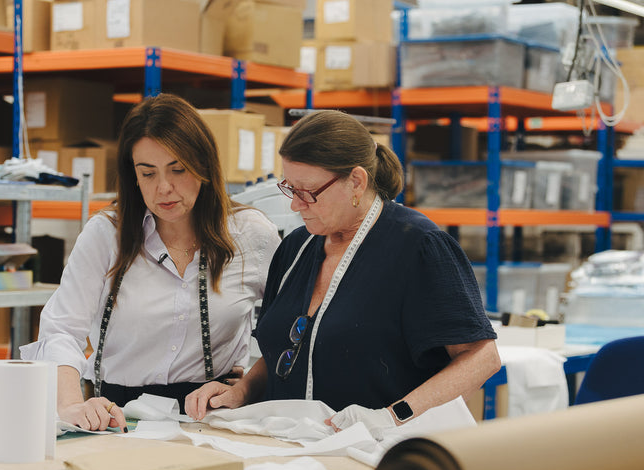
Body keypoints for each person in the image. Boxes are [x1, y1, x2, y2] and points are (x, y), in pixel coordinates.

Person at [185, 110, 501, 436]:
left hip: (382, 449)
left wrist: (394, 417)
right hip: (290, 443)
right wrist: (241, 391)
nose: (295, 205)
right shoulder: (296, 248)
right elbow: (288, 350)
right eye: (290, 189)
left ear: (356, 181)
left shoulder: (418, 247)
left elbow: (481, 357)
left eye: (307, 192)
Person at [20, 93, 281, 431]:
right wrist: (71, 404)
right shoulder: (106, 235)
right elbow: (62, 329)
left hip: (213, 422)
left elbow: (290, 333)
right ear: (133, 175)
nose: (164, 188)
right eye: (148, 174)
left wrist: (247, 387)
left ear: (204, 166)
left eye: (178, 169)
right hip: (117, 417)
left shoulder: (251, 234)